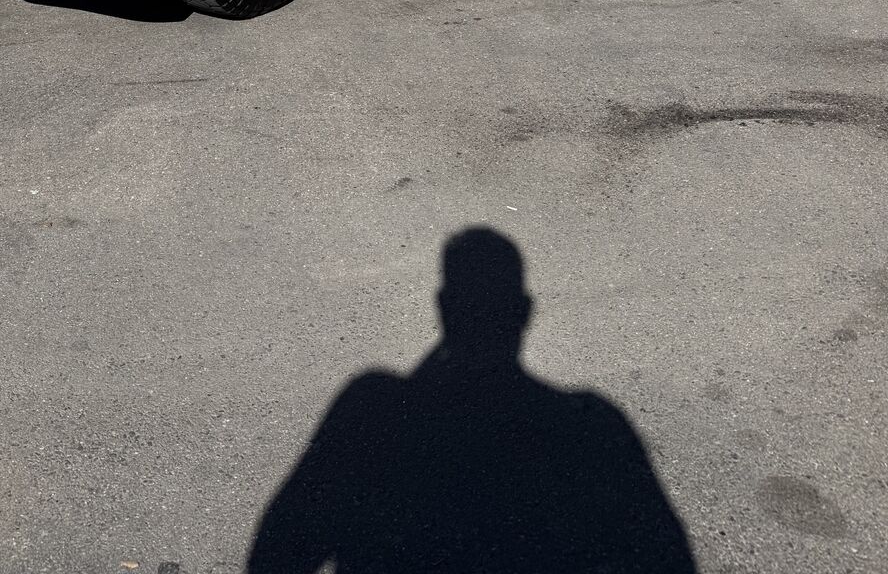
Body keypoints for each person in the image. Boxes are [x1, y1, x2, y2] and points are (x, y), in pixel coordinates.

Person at [248, 228, 697, 573]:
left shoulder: (376, 415)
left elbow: (275, 555)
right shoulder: (588, 430)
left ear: (443, 308)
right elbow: (669, 563)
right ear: (523, 313)